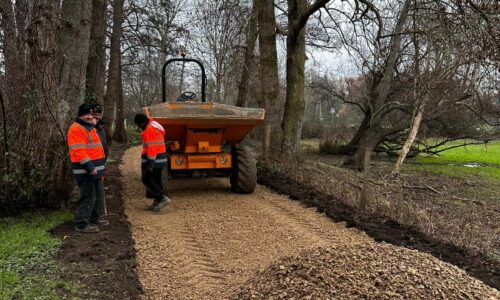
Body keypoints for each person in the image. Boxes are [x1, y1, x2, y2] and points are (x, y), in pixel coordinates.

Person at [67, 103, 109, 233]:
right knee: (88, 197)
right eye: (87, 114)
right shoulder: (76, 129)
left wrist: (100, 167)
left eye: (91, 114)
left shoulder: (90, 128)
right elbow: (78, 151)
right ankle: (81, 224)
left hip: (95, 169)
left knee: (96, 196)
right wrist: (90, 167)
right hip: (86, 170)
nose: (90, 117)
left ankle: (94, 219)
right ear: (81, 115)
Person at [134, 113, 170, 212]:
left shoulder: (149, 130)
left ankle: (162, 198)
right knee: (156, 180)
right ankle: (158, 201)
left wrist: (150, 164)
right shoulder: (154, 124)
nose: (139, 128)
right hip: (160, 158)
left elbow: (152, 148)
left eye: (138, 125)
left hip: (154, 160)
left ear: (141, 123)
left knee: (146, 179)